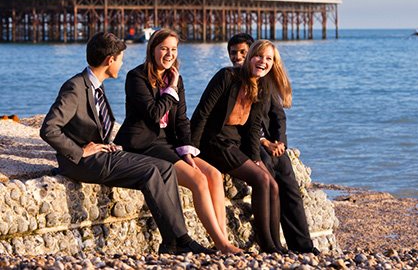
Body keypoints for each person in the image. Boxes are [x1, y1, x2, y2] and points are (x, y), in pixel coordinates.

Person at [40, 32, 213, 255]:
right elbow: (49, 129)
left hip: (102, 153)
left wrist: (104, 144)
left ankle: (173, 241)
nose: (122, 64)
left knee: (165, 168)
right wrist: (80, 151)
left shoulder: (95, 86)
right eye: (120, 58)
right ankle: (181, 240)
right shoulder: (76, 87)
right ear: (110, 60)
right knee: (151, 170)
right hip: (80, 162)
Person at [114, 29, 241, 254]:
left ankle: (222, 239)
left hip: (168, 143)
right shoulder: (137, 77)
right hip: (143, 144)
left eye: (173, 49)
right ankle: (223, 244)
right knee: (198, 180)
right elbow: (154, 114)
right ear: (152, 49)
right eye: (163, 48)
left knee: (214, 175)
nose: (169, 53)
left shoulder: (175, 78)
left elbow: (181, 119)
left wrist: (187, 152)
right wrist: (170, 89)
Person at [191, 39, 289, 254]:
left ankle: (276, 244)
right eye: (259, 56)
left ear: (273, 63)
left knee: (272, 182)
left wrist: (255, 158)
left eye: (269, 59)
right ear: (251, 56)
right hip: (214, 141)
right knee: (261, 179)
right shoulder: (227, 76)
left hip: (235, 143)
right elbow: (202, 112)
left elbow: (253, 127)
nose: (263, 61)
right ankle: (267, 245)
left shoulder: (262, 85)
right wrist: (192, 150)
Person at [227, 33, 318, 255]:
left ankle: (302, 245)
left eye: (243, 52)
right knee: (267, 175)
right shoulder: (230, 79)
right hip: (246, 143)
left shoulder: (265, 80)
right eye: (233, 53)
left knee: (289, 182)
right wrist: (263, 142)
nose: (238, 57)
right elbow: (234, 123)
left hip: (268, 143)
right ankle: (271, 242)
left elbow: (278, 117)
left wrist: (280, 142)